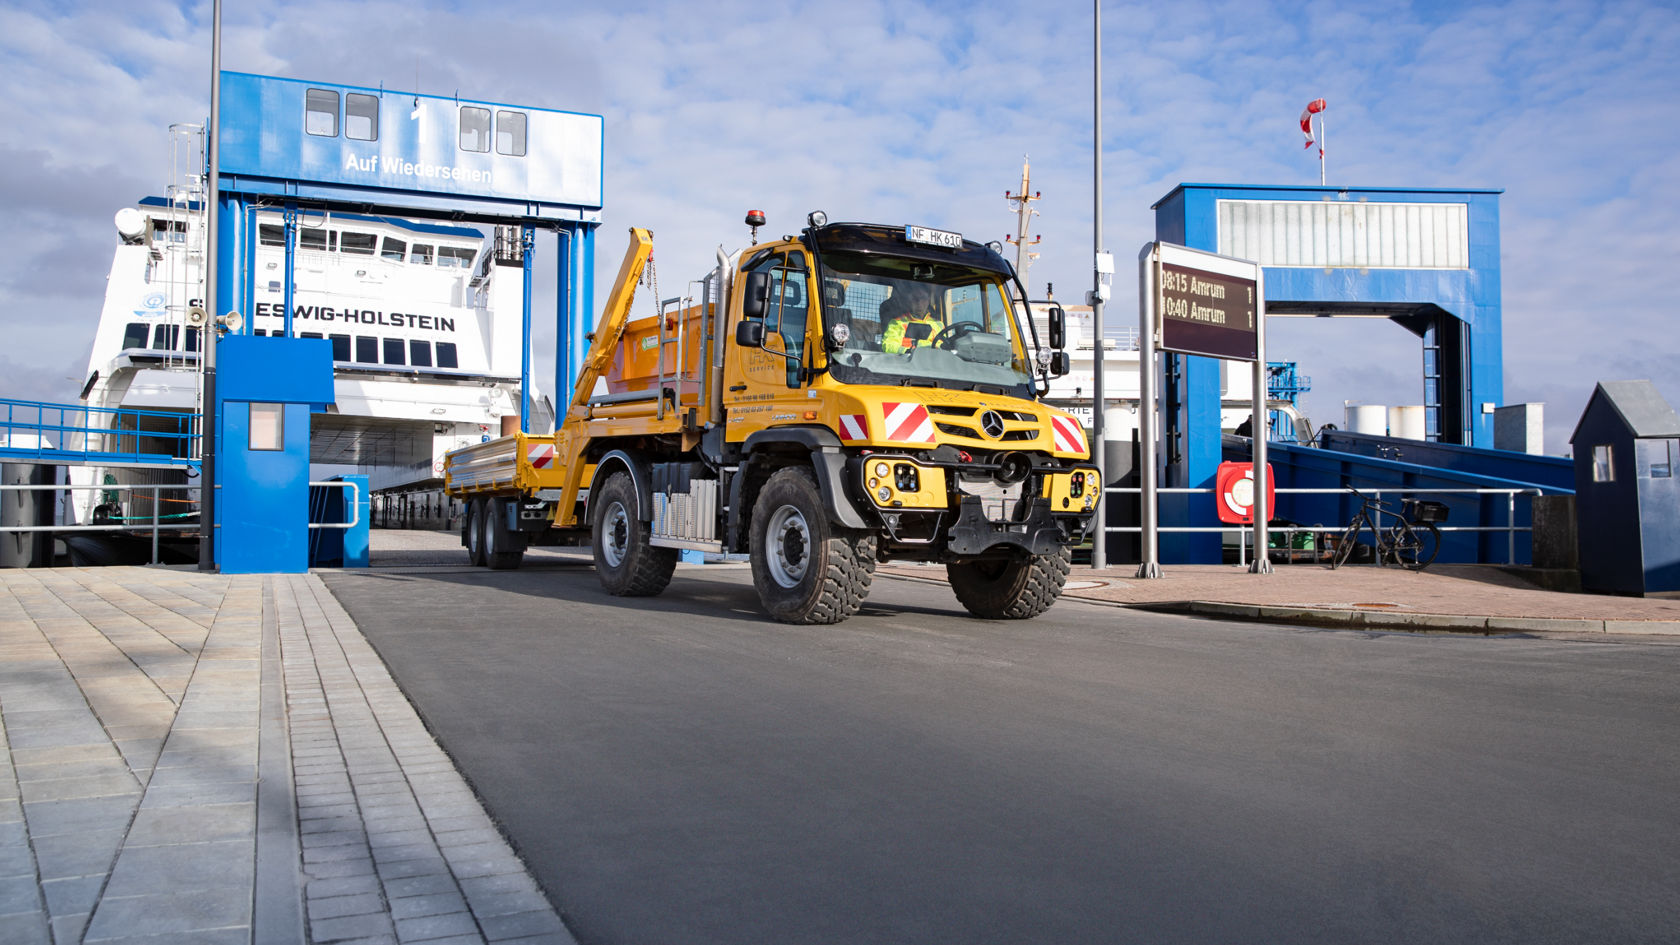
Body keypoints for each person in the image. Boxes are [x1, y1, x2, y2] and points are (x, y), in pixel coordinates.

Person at [879, 283, 942, 352]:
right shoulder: (897, 323)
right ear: (909, 301)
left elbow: (944, 346)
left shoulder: (938, 324)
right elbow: (888, 345)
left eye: (923, 298)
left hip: (934, 361)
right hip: (906, 361)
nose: (919, 303)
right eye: (915, 299)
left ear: (928, 300)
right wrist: (907, 351)